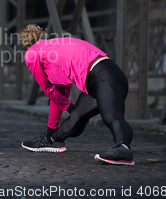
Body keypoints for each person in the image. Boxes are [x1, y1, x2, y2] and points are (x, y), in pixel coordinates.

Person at [19, 24, 134, 165]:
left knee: (111, 116)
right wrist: (51, 130)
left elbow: (48, 89)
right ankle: (51, 141)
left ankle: (123, 148)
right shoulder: (57, 48)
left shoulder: (31, 54)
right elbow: (59, 93)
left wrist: (67, 107)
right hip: (101, 78)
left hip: (104, 77)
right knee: (76, 117)